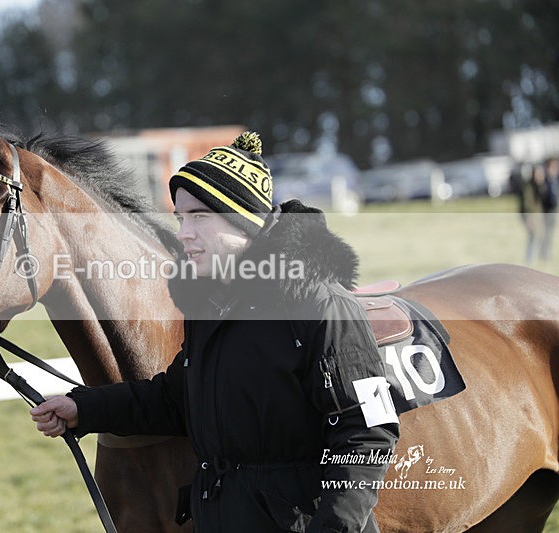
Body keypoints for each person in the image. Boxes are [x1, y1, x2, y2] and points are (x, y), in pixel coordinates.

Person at [31, 133, 399, 532]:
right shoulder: (210, 306)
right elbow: (175, 399)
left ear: (245, 222)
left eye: (200, 217)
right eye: (181, 218)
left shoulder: (323, 308)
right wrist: (84, 409)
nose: (184, 233)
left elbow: (369, 436)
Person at [541, 157, 558, 261]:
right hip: (546, 211)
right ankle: (544, 254)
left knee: (550, 233)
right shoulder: (543, 181)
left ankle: (547, 253)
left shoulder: (556, 180)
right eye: (553, 166)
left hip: (554, 210)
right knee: (545, 233)